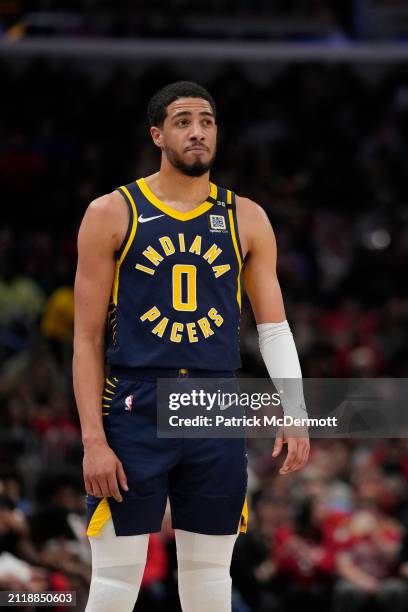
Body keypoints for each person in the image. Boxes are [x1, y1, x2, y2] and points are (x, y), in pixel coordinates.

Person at [73, 81, 310, 612]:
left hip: (215, 403)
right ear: (158, 134)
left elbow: (273, 328)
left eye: (206, 121)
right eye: (183, 121)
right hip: (134, 401)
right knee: (114, 582)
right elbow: (86, 338)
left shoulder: (246, 217)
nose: (197, 131)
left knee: (209, 580)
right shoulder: (111, 212)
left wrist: (295, 409)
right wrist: (93, 439)